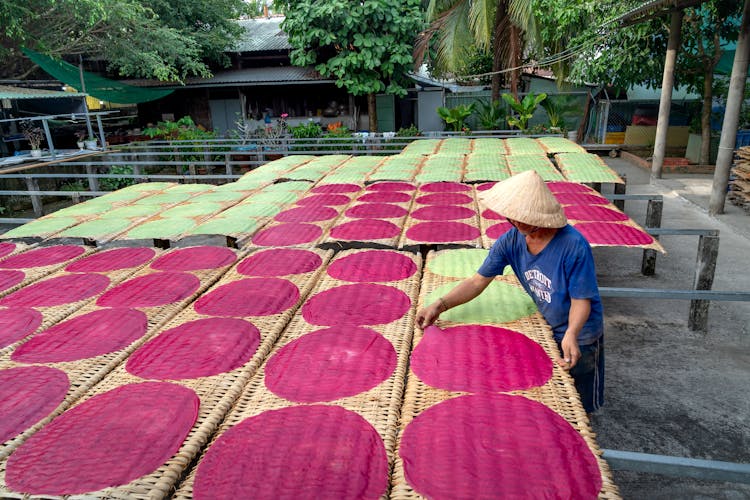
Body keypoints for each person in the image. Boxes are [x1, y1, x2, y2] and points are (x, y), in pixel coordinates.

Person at [416, 170, 604, 413]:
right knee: (556, 395)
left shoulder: (573, 246)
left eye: (519, 217)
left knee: (579, 394)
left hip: (581, 330)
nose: (513, 221)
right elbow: (477, 282)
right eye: (512, 217)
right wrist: (440, 305)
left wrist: (572, 333)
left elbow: (581, 300)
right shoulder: (511, 241)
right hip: (550, 324)